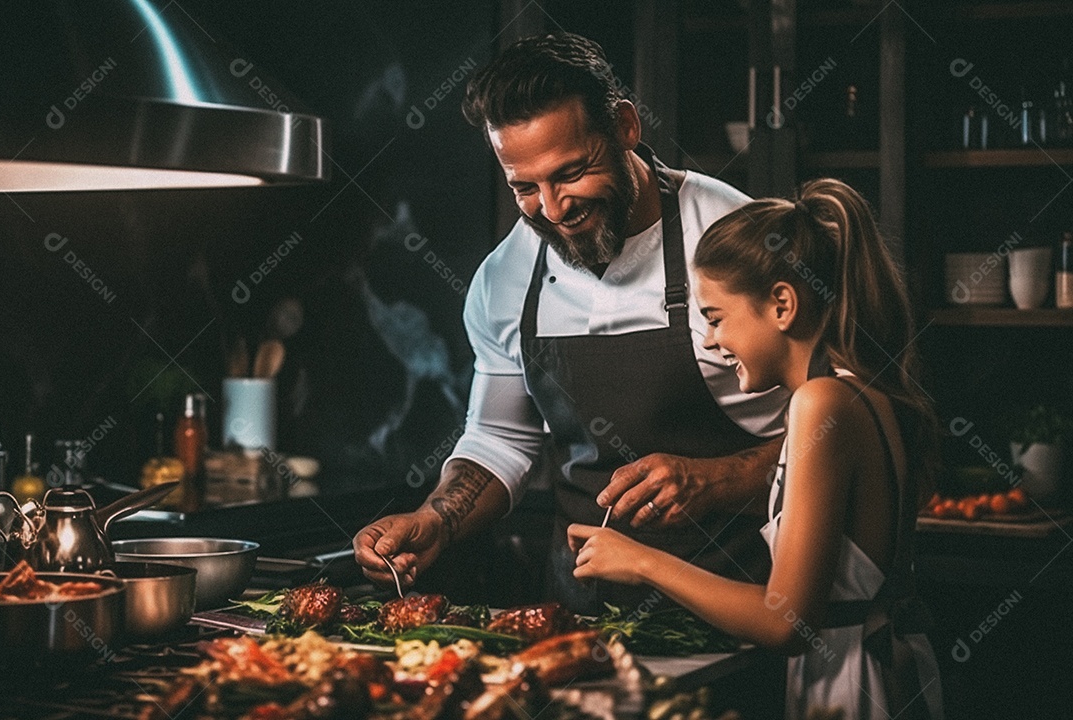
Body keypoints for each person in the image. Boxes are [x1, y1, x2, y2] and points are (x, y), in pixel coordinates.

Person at [354, 32, 789, 613]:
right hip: (583, 620)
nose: (555, 209)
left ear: (626, 127)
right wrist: (437, 519)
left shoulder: (737, 238)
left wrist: (715, 481)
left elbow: (846, 424)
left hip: (749, 603)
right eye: (525, 188)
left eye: (571, 172)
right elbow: (500, 438)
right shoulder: (504, 280)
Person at [568, 179, 944, 719]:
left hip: (854, 684)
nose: (711, 340)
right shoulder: (858, 390)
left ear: (783, 305)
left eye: (717, 317)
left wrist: (641, 562)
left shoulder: (820, 403)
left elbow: (785, 621)